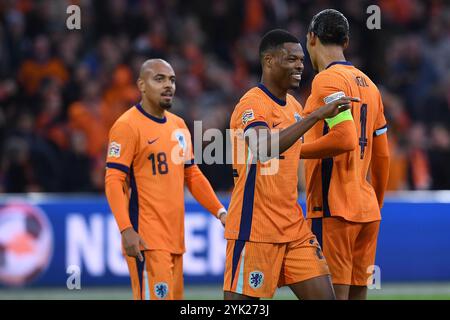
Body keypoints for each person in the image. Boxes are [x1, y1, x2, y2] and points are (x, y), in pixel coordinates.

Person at [224, 29, 358, 300]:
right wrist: (316, 116)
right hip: (255, 229)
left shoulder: (294, 106)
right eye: (291, 59)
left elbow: (296, 150)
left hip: (293, 227)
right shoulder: (252, 103)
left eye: (301, 59)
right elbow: (262, 149)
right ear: (269, 61)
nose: (300, 65)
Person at [105, 59, 227, 300]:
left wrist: (220, 212)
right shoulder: (127, 126)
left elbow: (191, 174)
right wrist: (126, 229)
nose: (168, 85)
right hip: (146, 239)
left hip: (175, 239)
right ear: (141, 85)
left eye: (171, 79)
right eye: (159, 79)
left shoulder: (178, 126)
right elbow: (113, 180)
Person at [302, 9, 390, 300]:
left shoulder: (326, 81)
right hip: (365, 210)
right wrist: (373, 204)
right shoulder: (371, 86)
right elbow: (383, 156)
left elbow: (345, 138)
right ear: (346, 42)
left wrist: (293, 151)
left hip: (334, 208)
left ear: (312, 38)